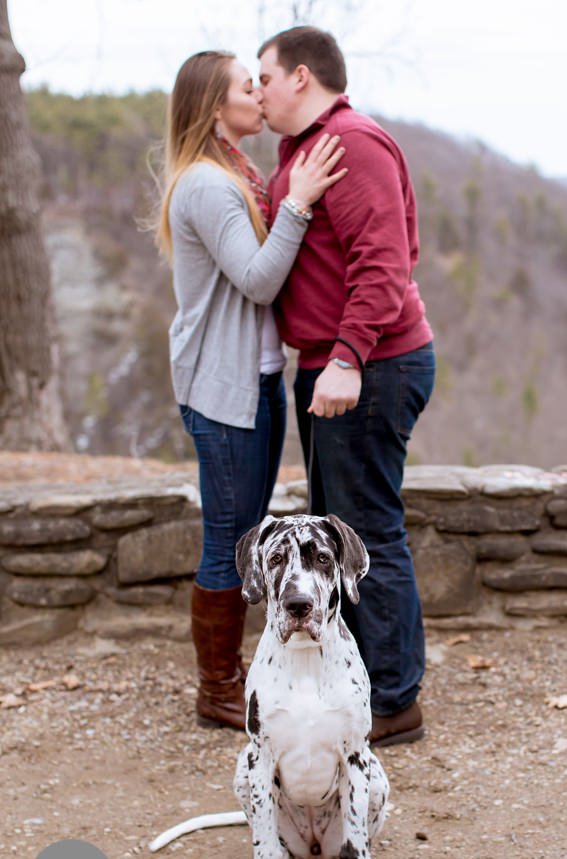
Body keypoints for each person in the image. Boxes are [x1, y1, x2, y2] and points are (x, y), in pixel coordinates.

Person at [156, 50, 346, 731]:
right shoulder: (209, 186)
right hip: (224, 389)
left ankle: (242, 673)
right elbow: (259, 280)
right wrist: (298, 203)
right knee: (228, 542)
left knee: (244, 532)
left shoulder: (239, 174)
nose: (260, 95)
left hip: (256, 380)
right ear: (214, 109)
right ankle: (218, 690)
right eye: (247, 87)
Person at [257, 27, 436, 747]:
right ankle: (360, 681)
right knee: (337, 531)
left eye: (264, 77)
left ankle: (393, 703)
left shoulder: (351, 143)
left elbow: (383, 262)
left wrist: (348, 357)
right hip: (334, 365)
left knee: (365, 534)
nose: (259, 90)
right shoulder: (307, 151)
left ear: (301, 76)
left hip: (370, 364)